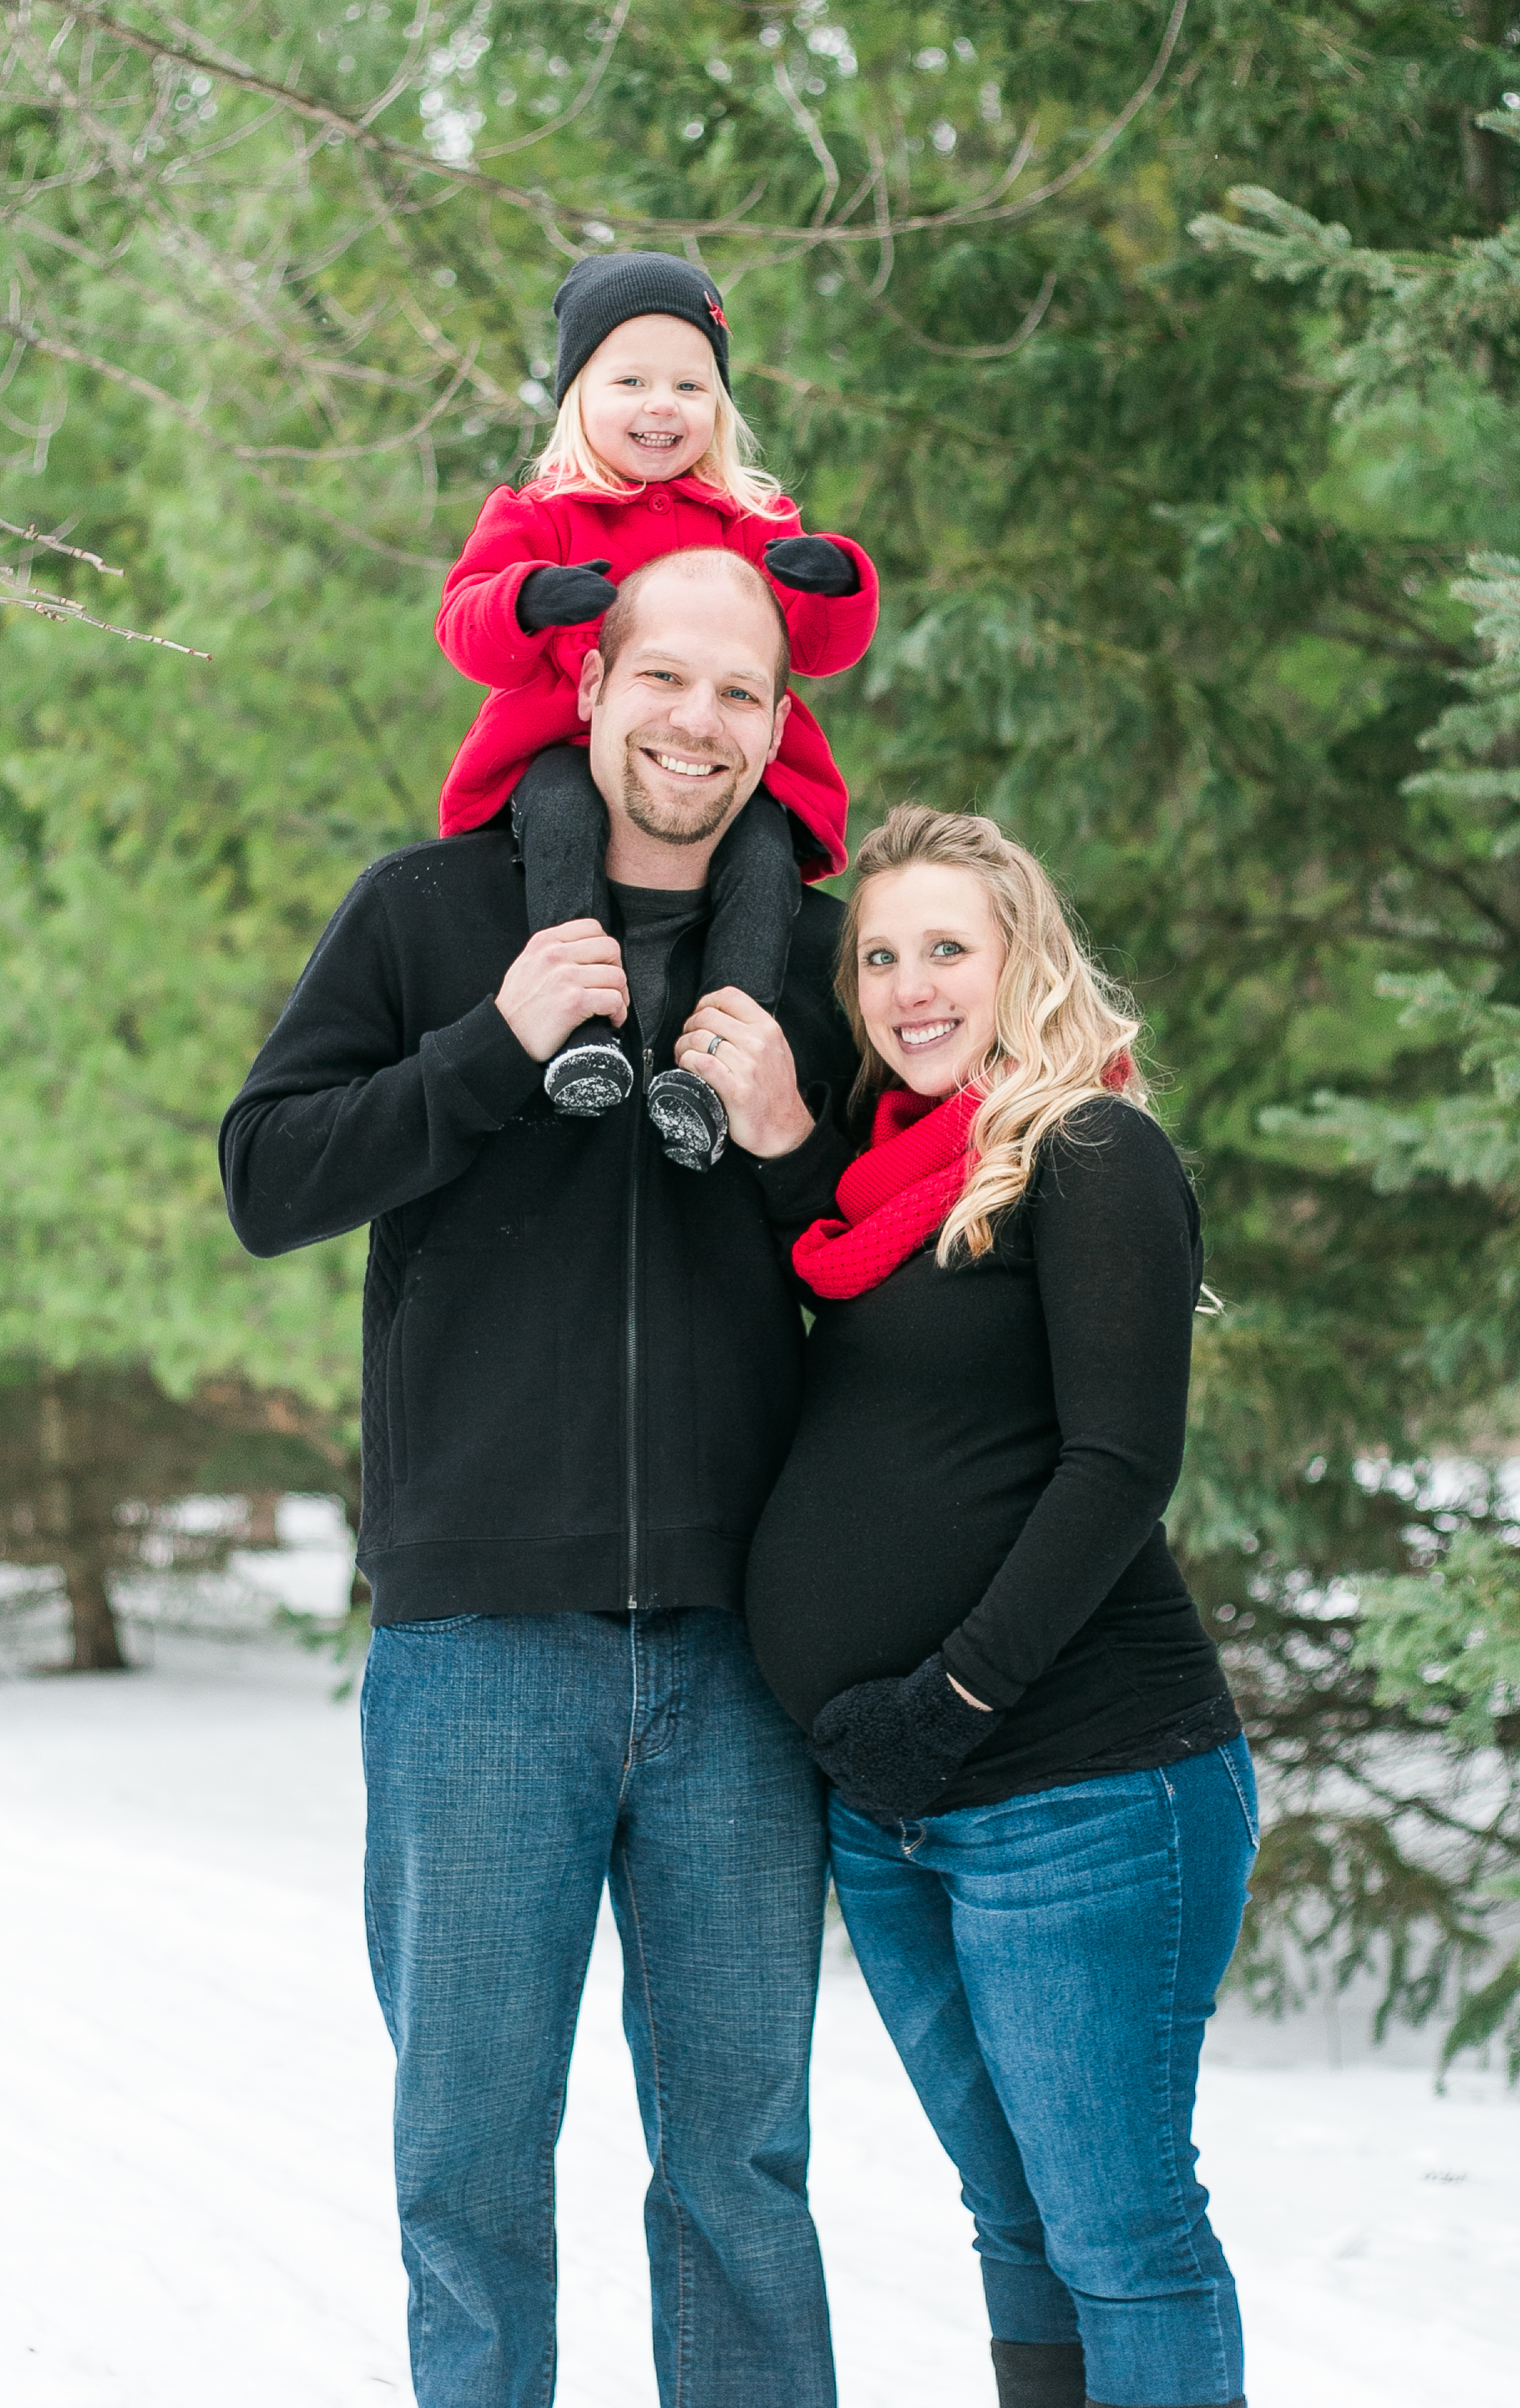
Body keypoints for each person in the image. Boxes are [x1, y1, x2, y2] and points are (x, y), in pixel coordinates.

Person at [220, 546, 862, 2408]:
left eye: (741, 693)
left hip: (745, 1655)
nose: (699, 722)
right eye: (666, 677)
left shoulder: (817, 962)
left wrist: (783, 1138)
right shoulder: (427, 916)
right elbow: (268, 1173)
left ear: (775, 721)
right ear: (588, 688)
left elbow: (887, 1271)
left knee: (741, 2176)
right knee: (471, 2169)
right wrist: (490, 1046)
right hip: (481, 1645)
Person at [743, 804, 1256, 2408]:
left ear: (1020, 956)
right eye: (878, 955)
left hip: (1080, 1785)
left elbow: (1117, 1470)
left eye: (945, 947)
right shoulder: (882, 1188)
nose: (907, 984)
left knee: (1119, 2230)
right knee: (1017, 2222)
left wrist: (944, 1707)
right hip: (899, 1803)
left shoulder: (1090, 1151)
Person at [436, 249, 878, 1167]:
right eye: (629, 379)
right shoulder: (540, 511)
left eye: (689, 383)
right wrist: (524, 599)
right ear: (576, 396)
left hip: (706, 771)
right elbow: (464, 626)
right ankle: (584, 1030)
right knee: (561, 812)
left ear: (719, 404)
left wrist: (835, 582)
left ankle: (714, 1067)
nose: (660, 404)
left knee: (762, 855)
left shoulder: (751, 518)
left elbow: (821, 649)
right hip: (559, 748)